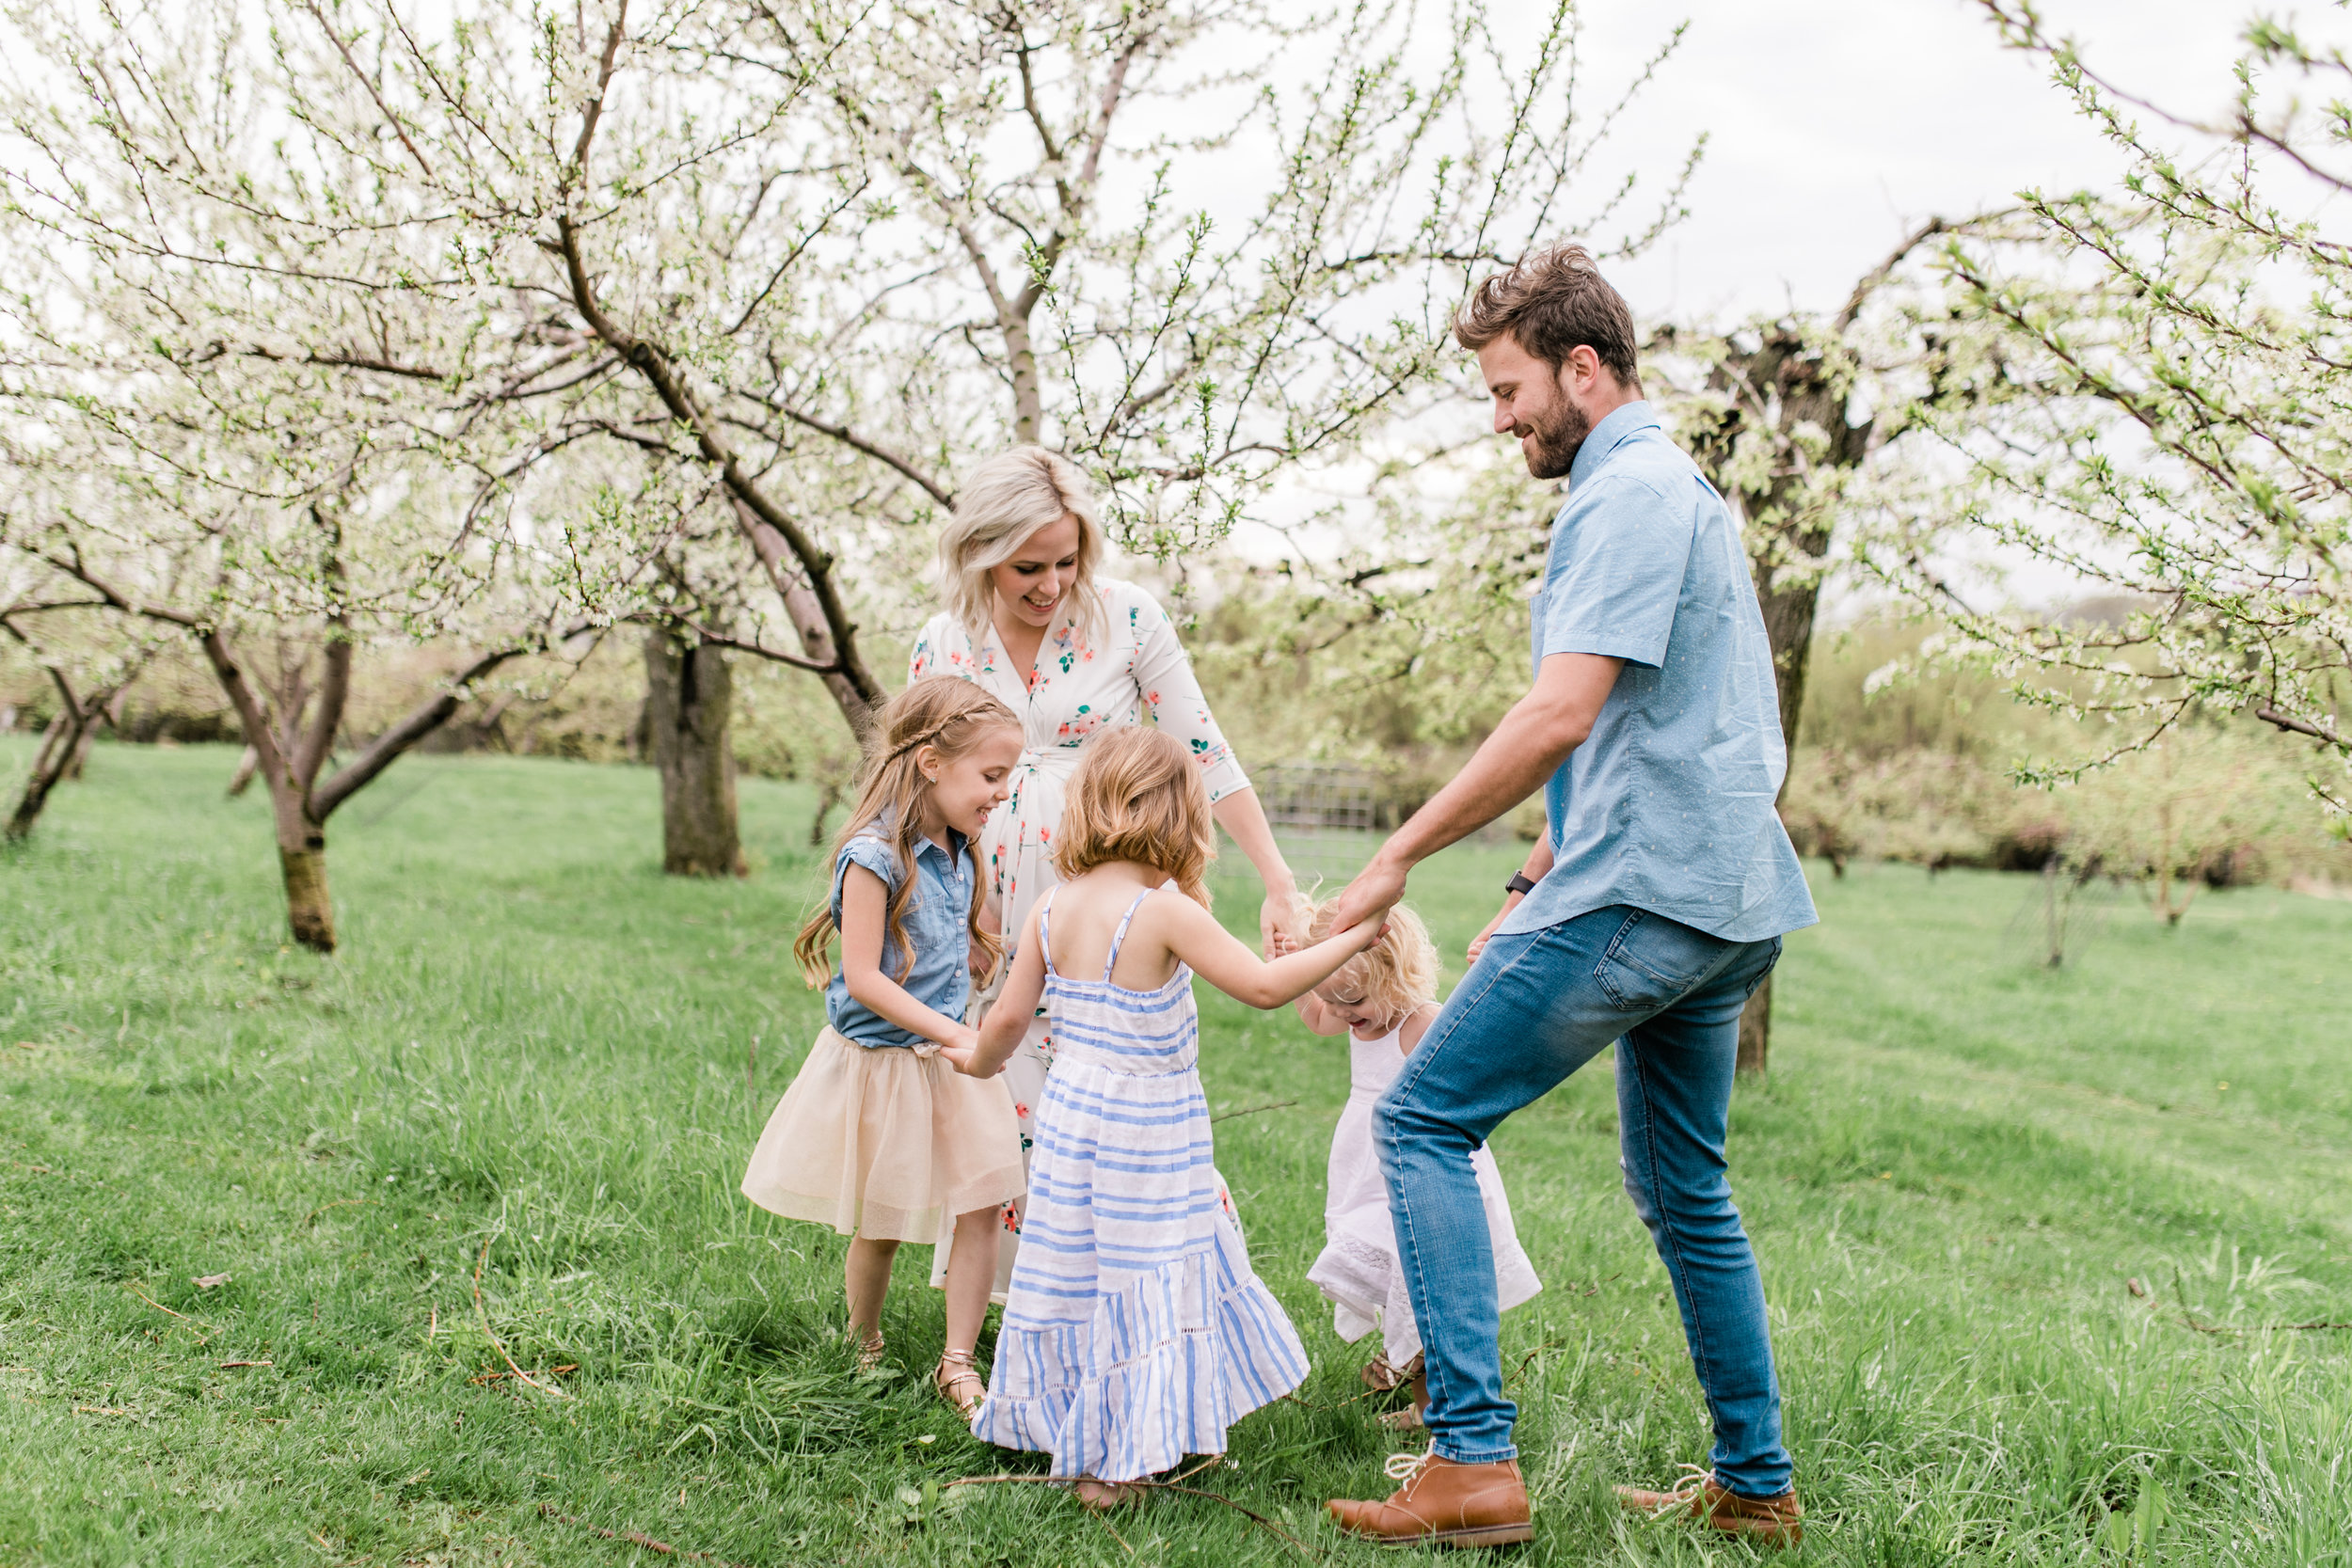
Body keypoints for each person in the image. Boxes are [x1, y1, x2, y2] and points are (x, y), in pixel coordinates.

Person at [1320, 243, 1820, 1549]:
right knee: (1684, 1187)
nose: (1500, 421)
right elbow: (1672, 718)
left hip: (1646, 900)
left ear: (1582, 369)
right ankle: (1754, 1479)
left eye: (1507, 390)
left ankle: (1471, 1458)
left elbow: (1560, 712)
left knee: (1422, 1115)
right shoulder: (1683, 492)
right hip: (1721, 900)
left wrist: (1396, 857)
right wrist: (1538, 868)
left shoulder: (1627, 493)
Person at [949, 727, 1385, 1508]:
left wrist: (976, 1062)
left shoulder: (1052, 907)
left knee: (1084, 1269)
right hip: (1147, 1129)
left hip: (1073, 1117)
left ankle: (1090, 1424)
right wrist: (1354, 935)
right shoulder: (1162, 910)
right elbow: (1260, 984)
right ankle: (1112, 1464)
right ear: (1183, 817)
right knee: (1144, 1269)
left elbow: (1009, 1024)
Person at [911, 446, 1307, 1299]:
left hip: (1112, 914)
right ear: (980, 554)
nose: (1051, 583)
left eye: (1065, 560)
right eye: (1027, 567)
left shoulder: (1125, 617)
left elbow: (1204, 749)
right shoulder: (945, 642)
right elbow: (916, 791)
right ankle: (1032, 1306)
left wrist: (1275, 878)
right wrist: (935, 917)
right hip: (986, 916)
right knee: (1007, 1112)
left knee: (1128, 1111)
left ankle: (1172, 1297)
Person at [739, 677, 1030, 1420]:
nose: (1002, 792)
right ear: (932, 762)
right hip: (887, 1063)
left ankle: (957, 1362)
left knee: (983, 1199)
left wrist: (979, 957)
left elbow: (952, 939)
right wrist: (959, 1031)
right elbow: (865, 977)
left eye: (1008, 777)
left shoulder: (962, 848)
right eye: (991, 775)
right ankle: (862, 1344)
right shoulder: (874, 856)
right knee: (884, 1219)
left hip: (949, 1055)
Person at [1287, 899, 1540, 1432]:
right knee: (1397, 1272)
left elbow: (1474, 1070)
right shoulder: (1350, 1011)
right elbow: (1315, 1018)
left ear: (1393, 973)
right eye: (1328, 997)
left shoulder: (1420, 1021)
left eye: (1349, 999)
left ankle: (1424, 1389)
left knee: (1425, 1277)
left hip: (1419, 1170)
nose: (1338, 1013)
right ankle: (1413, 1375)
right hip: (1367, 1167)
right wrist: (1296, 974)